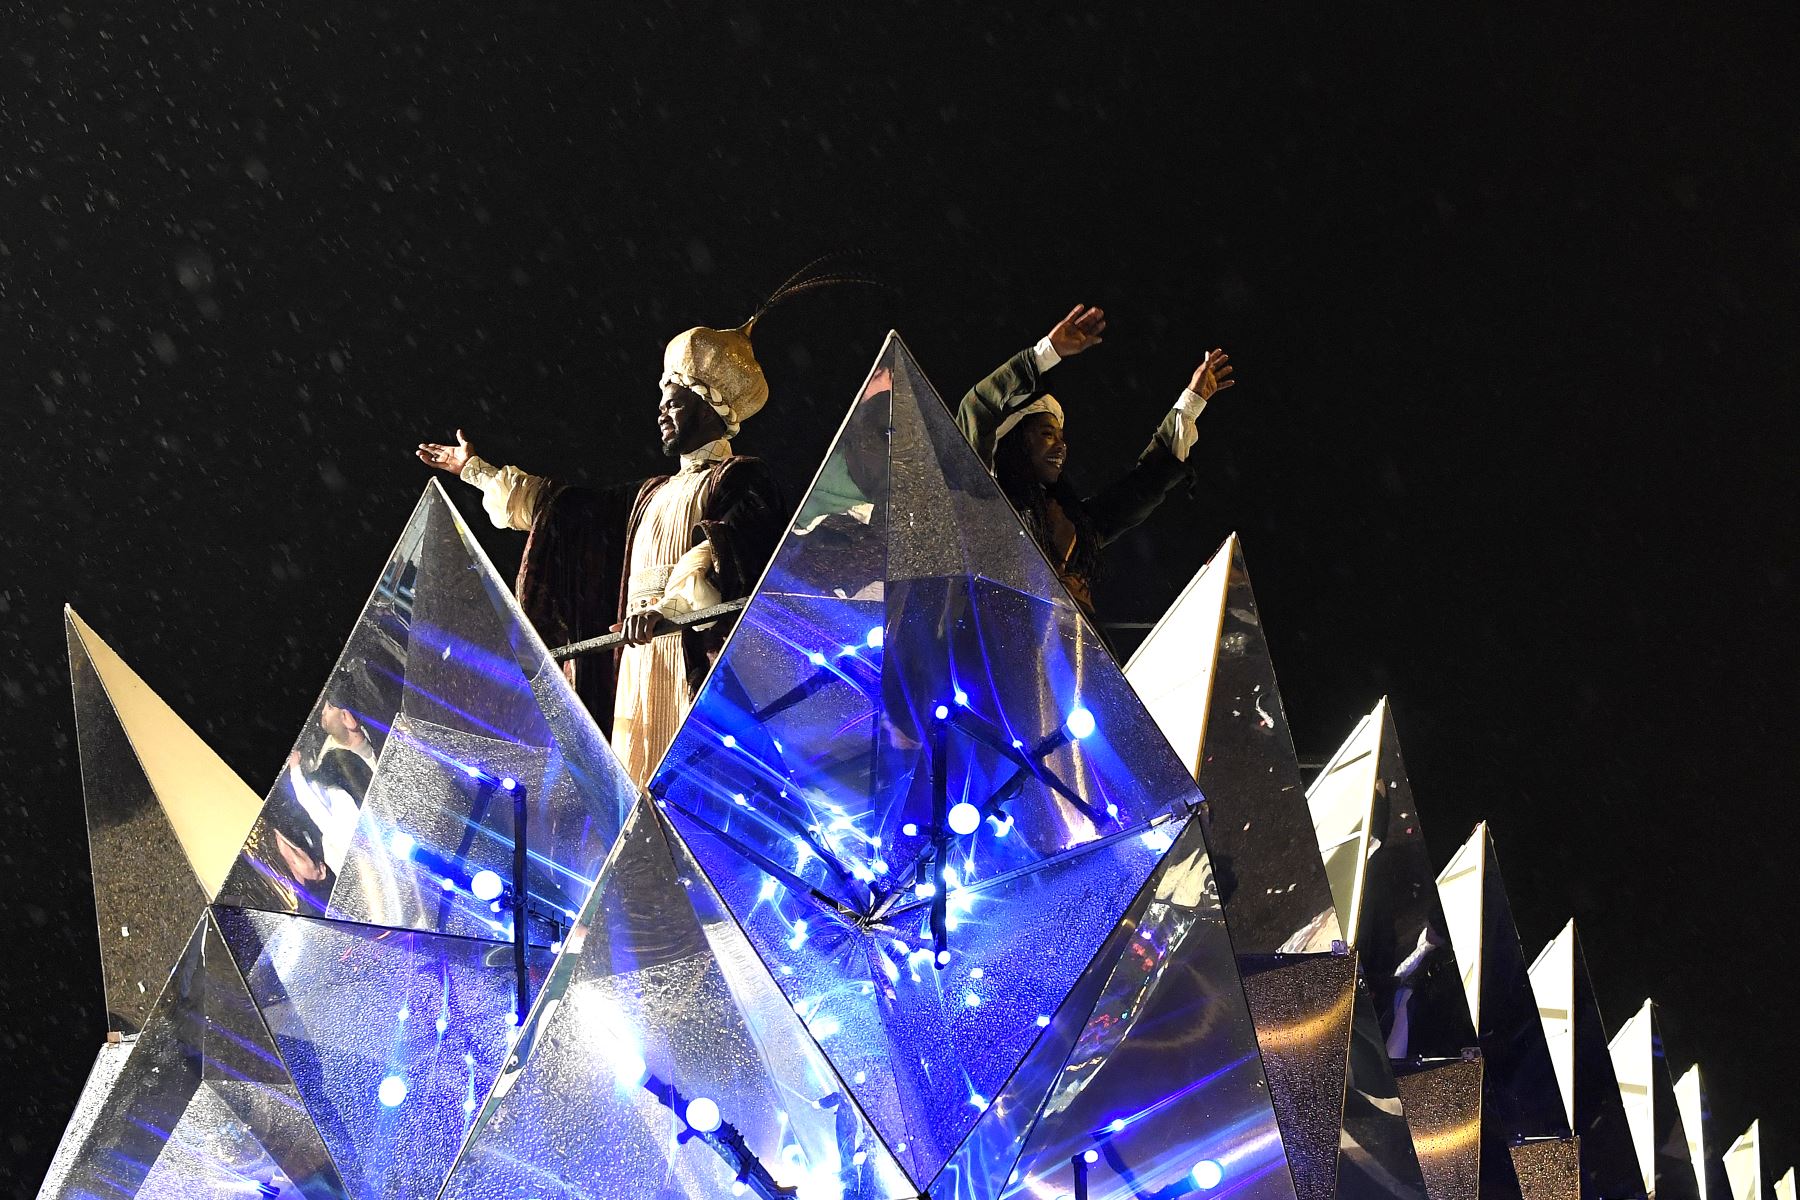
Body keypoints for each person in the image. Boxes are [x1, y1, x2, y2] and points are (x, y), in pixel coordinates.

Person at [417, 319, 787, 788]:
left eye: (672, 402)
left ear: (710, 404)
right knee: (636, 782)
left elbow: (724, 552)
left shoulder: (740, 478)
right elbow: (564, 512)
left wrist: (668, 610)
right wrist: (474, 469)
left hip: (690, 652)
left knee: (696, 783)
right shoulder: (647, 496)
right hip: (636, 655)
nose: (660, 413)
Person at [957, 304, 1235, 622]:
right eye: (1047, 433)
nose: (1061, 446)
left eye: (1062, 436)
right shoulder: (985, 497)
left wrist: (1190, 404)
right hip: (987, 646)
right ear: (1017, 442)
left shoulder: (1077, 523)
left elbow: (1141, 488)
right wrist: (1045, 353)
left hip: (1065, 657)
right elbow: (975, 411)